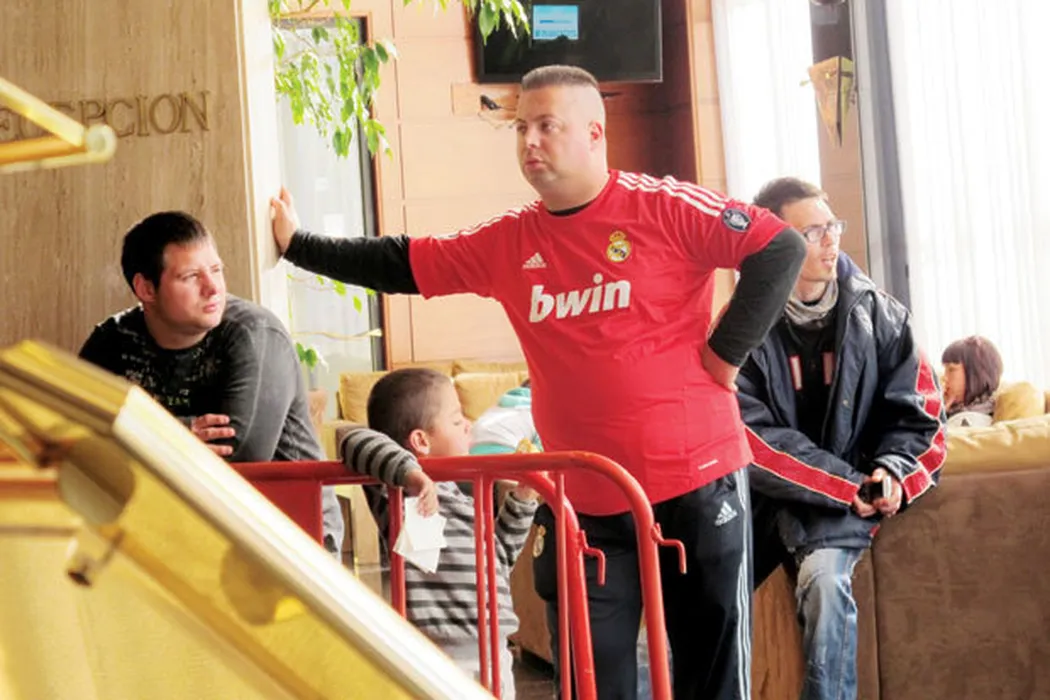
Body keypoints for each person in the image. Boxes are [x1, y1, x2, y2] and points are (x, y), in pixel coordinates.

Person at [271, 65, 806, 700]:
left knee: (710, 683)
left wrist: (724, 354)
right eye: (521, 127)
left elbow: (780, 249)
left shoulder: (663, 206)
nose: (529, 141)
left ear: (595, 132)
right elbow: (404, 262)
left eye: (547, 126)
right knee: (589, 683)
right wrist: (297, 245)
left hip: (697, 479)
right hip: (585, 498)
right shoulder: (510, 241)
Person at [740, 177, 946, 700]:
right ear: (775, 243)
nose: (831, 240)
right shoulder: (739, 327)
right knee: (686, 594)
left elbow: (924, 419)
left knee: (826, 584)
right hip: (765, 503)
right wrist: (842, 483)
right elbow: (746, 437)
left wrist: (893, 470)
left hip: (846, 506)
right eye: (813, 232)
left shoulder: (882, 314)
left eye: (832, 226)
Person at [78, 211, 344, 555]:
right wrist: (175, 434)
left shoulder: (254, 335)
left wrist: (134, 436)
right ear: (146, 288)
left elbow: (237, 459)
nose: (213, 287)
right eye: (191, 276)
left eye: (216, 270)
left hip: (290, 537)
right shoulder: (111, 341)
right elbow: (73, 437)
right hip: (178, 537)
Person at [337, 368, 538, 698]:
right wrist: (411, 475)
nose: (469, 425)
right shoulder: (398, 492)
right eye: (457, 420)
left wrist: (523, 499)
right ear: (421, 441)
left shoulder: (465, 497)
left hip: (494, 651)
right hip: (440, 654)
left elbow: (500, 560)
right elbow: (353, 441)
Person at [941, 335, 1003, 428]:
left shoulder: (968, 420)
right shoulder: (958, 411)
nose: (944, 378)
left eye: (951, 370)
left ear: (975, 374)